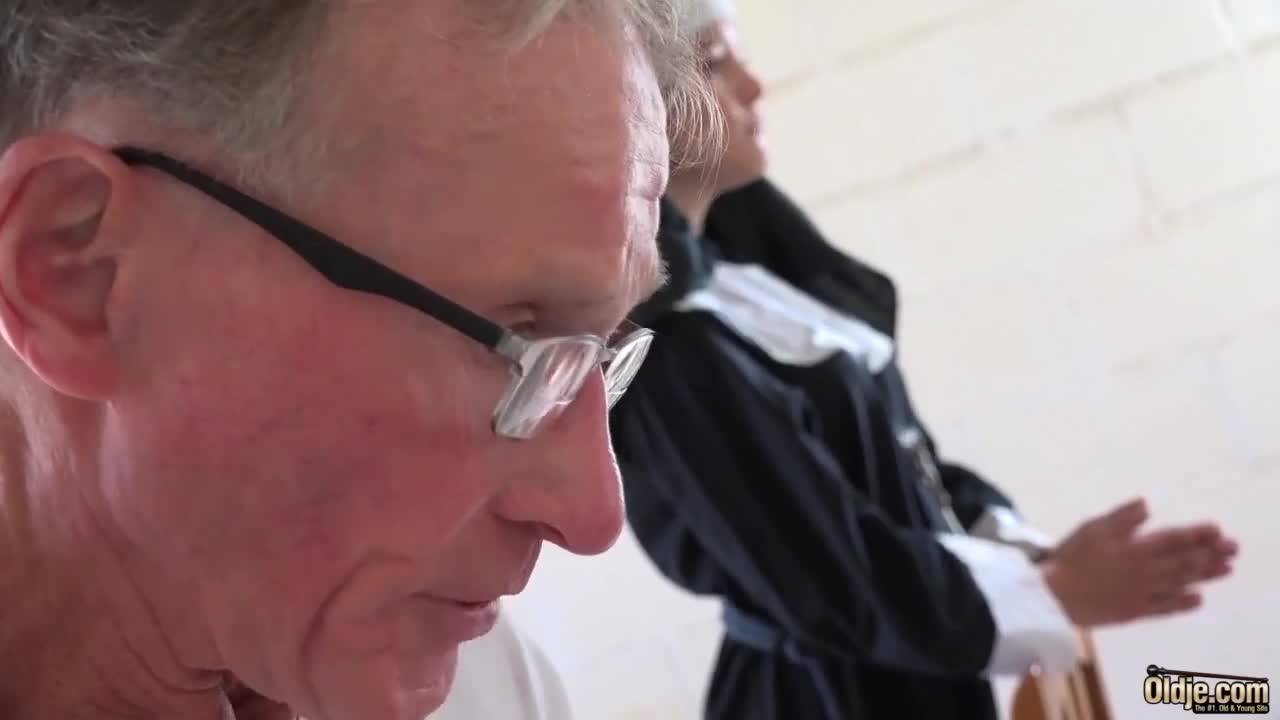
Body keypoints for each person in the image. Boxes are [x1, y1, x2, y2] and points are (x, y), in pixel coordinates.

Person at [0, 2, 713, 719]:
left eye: (598, 359)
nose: (592, 516)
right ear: (77, 272)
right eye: (511, 343)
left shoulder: (499, 693)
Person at [609, 1, 1241, 719]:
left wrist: (1032, 561)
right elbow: (827, 574)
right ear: (642, 102)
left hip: (904, 673)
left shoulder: (753, 283)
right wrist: (1054, 592)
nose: (753, 87)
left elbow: (905, 469)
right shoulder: (674, 346)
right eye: (719, 64)